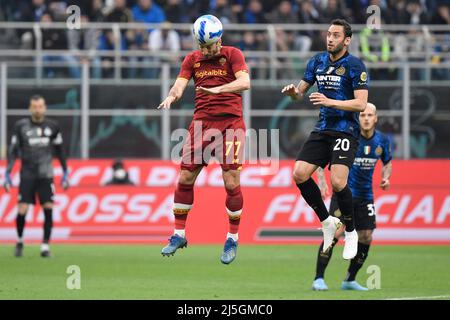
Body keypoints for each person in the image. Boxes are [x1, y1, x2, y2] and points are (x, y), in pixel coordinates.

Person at [158, 15, 250, 265]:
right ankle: (179, 234)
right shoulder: (192, 59)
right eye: (204, 46)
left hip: (230, 124)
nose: (209, 50)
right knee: (185, 177)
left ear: (220, 39)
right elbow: (179, 84)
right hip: (201, 124)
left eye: (212, 45)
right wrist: (172, 96)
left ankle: (232, 237)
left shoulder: (232, 54)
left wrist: (219, 89)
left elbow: (245, 82)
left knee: (231, 181)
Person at [281, 19, 369, 260]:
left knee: (338, 182)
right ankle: (326, 221)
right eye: (329, 34)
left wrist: (331, 102)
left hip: (346, 131)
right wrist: (293, 94)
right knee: (299, 173)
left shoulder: (355, 66)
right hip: (322, 129)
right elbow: (300, 93)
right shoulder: (317, 61)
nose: (330, 38)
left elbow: (361, 104)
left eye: (336, 35)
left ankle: (350, 231)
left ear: (347, 40)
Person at [312, 103, 392, 291]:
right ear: (358, 117)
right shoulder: (347, 136)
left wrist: (386, 177)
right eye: (362, 114)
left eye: (369, 115)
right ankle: (319, 279)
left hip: (365, 196)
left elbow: (387, 162)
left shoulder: (382, 140)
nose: (365, 118)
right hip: (343, 194)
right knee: (334, 234)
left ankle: (349, 279)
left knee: (366, 236)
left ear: (375, 118)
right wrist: (322, 181)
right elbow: (320, 159)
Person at [3, 95, 69, 258]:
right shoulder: (21, 126)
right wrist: (8, 172)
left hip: (46, 174)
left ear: (45, 107)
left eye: (40, 106)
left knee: (48, 207)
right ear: (30, 108)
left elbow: (60, 151)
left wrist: (65, 172)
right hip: (27, 173)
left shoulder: (53, 126)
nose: (38, 109)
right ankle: (19, 241)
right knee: (22, 208)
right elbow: (13, 151)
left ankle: (45, 246)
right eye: (35, 106)